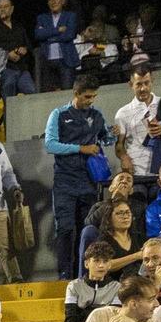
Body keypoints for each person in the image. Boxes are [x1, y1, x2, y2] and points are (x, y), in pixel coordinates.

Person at [44, 79, 110, 279]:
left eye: (93, 96)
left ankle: (84, 274)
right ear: (76, 94)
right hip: (65, 181)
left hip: (89, 182)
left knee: (87, 230)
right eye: (87, 96)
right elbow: (50, 145)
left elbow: (104, 137)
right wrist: (81, 148)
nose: (91, 100)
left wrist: (112, 136)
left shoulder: (97, 115)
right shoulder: (59, 114)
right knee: (65, 229)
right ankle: (65, 274)